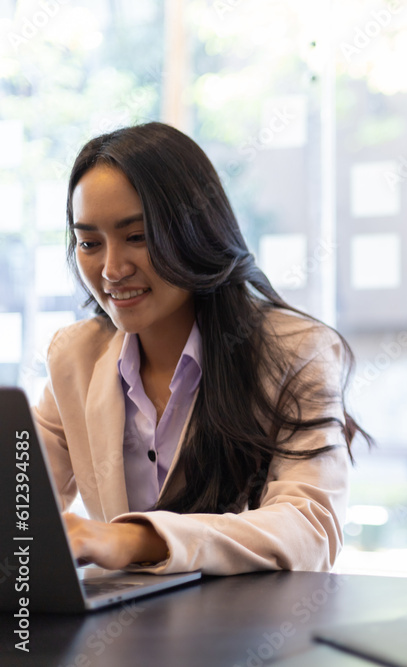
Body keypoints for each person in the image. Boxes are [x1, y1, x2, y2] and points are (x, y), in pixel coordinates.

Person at [36, 122, 368, 575]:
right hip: (122, 635)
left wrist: (135, 539)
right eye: (90, 243)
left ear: (195, 232)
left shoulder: (296, 352)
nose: (111, 269)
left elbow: (310, 528)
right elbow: (21, 512)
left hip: (247, 636)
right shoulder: (75, 358)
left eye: (137, 237)